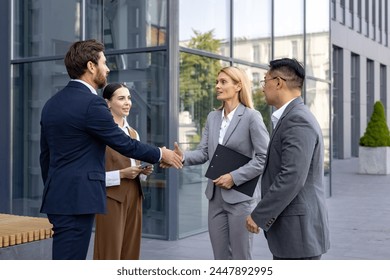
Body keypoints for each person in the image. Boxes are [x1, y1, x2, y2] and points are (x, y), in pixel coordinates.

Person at [39, 39, 182, 260]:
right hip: (78, 199)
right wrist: (162, 154)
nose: (107, 68)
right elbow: (123, 143)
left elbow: (45, 156)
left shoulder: (52, 103)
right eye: (104, 63)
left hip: (58, 197)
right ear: (90, 66)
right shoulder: (91, 103)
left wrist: (55, 188)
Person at [172, 66, 270, 259]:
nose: (217, 86)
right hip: (215, 198)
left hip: (240, 200)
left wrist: (234, 177)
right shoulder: (212, 117)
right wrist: (182, 156)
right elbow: (204, 152)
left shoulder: (251, 117)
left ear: (238, 86)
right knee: (220, 257)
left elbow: (264, 157)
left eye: (223, 82)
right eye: (217, 82)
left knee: (241, 258)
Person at [246, 58, 330, 260]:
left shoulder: (297, 119)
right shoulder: (290, 117)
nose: (263, 88)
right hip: (294, 231)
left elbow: (292, 176)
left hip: (298, 234)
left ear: (278, 82)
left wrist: (259, 215)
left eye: (264, 81)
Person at [93, 83, 152, 260]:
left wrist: (143, 172)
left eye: (129, 98)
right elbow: (92, 175)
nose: (127, 103)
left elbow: (134, 164)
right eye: (121, 98)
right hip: (111, 197)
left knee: (131, 251)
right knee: (109, 251)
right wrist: (121, 174)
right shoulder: (99, 133)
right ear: (108, 103)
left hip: (135, 195)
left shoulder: (133, 133)